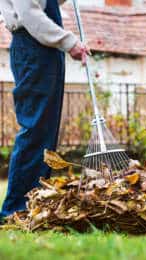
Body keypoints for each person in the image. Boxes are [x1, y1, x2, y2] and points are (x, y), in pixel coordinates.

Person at [0, 0, 89, 222]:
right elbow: (30, 15)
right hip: (33, 47)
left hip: (44, 51)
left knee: (45, 134)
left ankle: (35, 204)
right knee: (35, 129)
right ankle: (15, 209)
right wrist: (69, 42)